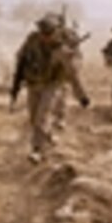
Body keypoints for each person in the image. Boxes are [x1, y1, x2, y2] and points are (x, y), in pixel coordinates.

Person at [11, 13, 89, 164]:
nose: (45, 36)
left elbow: (73, 76)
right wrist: (18, 81)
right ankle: (49, 138)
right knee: (34, 119)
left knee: (42, 117)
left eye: (48, 33)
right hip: (34, 84)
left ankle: (37, 151)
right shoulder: (32, 40)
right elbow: (20, 58)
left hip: (52, 86)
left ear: (55, 32)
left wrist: (82, 97)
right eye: (42, 33)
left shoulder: (61, 50)